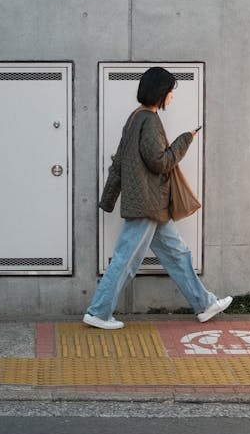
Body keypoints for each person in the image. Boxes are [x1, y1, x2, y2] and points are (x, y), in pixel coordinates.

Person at [83, 66, 232, 330]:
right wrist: (185, 140)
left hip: (150, 203)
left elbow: (119, 162)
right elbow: (160, 163)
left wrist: (109, 198)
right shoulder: (149, 120)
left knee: (178, 254)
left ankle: (205, 304)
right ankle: (98, 312)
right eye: (171, 90)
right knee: (125, 259)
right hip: (147, 203)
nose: (172, 95)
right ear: (160, 92)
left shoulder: (134, 118)